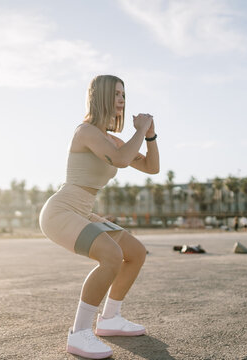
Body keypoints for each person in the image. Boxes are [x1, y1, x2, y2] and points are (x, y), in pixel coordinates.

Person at [39, 75, 159, 359]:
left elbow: (152, 167)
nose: (122, 100)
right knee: (111, 255)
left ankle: (110, 319)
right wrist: (140, 130)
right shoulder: (86, 131)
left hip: (82, 211)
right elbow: (120, 160)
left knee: (136, 252)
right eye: (117, 94)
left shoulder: (114, 140)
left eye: (124, 94)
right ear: (102, 97)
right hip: (61, 211)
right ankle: (79, 334)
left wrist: (151, 134)